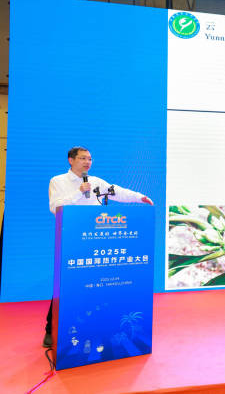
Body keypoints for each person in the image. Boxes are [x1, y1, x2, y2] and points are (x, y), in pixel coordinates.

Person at [43, 146, 153, 348]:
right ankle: (51, 329)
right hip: (73, 240)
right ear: (71, 160)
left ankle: (95, 328)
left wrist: (139, 197)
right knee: (67, 284)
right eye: (83, 158)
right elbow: (55, 207)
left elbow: (117, 191)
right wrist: (78, 192)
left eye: (90, 159)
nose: (88, 162)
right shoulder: (58, 181)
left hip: (96, 239)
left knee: (97, 285)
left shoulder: (96, 182)